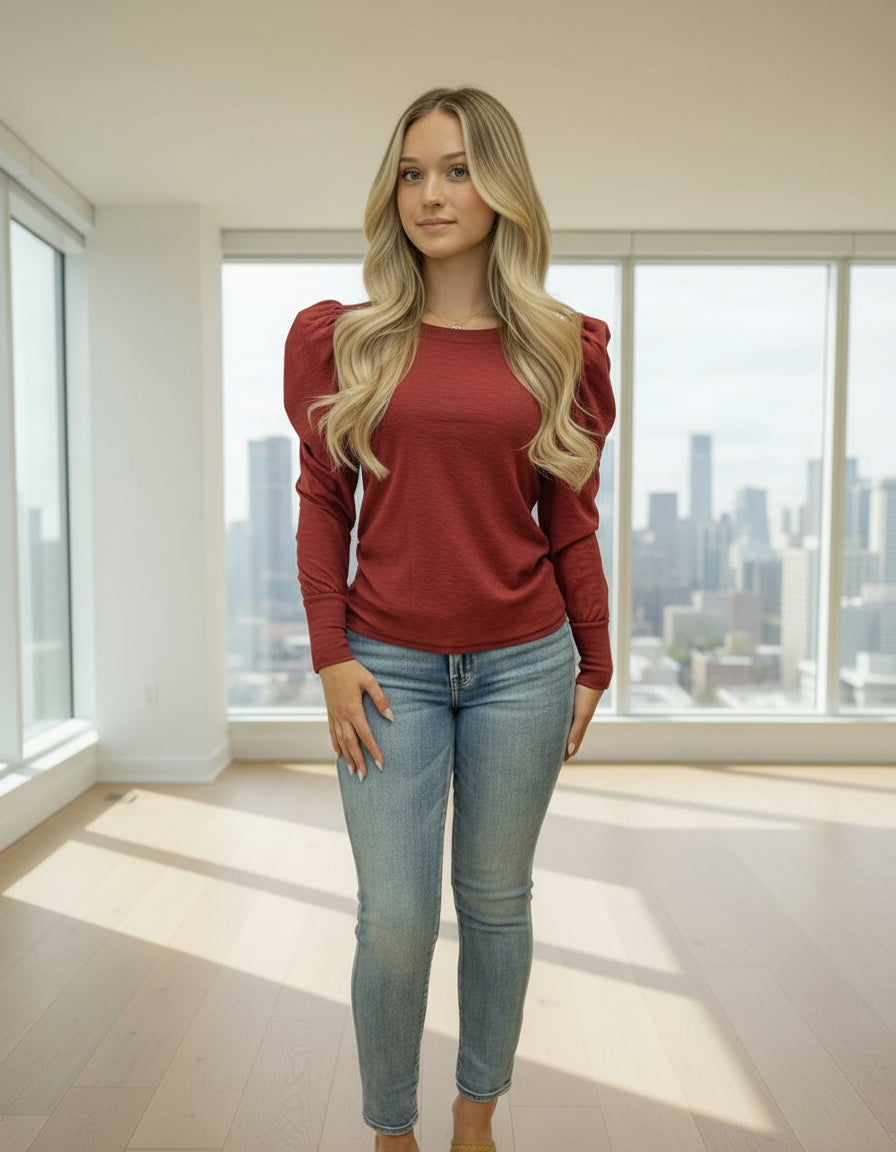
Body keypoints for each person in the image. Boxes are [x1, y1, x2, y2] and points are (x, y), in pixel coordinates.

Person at [284, 86, 615, 1152]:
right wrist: (331, 657)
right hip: (385, 667)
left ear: (502, 185)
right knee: (390, 920)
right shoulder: (343, 339)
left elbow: (570, 520)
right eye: (413, 171)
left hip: (526, 664)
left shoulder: (563, 345)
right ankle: (393, 1131)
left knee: (494, 905)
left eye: (459, 169)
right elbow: (323, 506)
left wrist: (593, 661)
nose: (431, 193)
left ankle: (475, 1120)